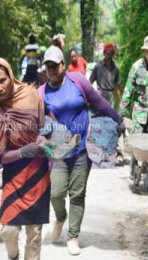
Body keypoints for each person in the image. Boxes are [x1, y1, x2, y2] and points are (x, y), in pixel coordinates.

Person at [38, 45, 124, 256]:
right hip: (57, 153)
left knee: (77, 194)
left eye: (54, 65)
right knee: (56, 193)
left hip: (81, 150)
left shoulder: (78, 82)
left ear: (63, 65)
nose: (51, 70)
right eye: (47, 66)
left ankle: (73, 236)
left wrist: (117, 119)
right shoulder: (41, 93)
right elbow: (35, 122)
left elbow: (99, 103)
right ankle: (60, 217)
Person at [0, 57, 50, 260]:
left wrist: (46, 139)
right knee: (8, 231)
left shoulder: (31, 95)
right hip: (13, 175)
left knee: (34, 233)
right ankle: (13, 257)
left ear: (11, 76)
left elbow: (43, 126)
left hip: (37, 173)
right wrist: (25, 150)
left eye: (3, 80)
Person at [89, 43, 121, 108]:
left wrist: (120, 103)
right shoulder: (98, 67)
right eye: (107, 54)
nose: (109, 56)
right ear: (104, 54)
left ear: (113, 55)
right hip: (100, 94)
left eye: (111, 54)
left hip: (111, 97)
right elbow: (90, 82)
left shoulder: (116, 69)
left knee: (110, 116)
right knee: (99, 116)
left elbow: (118, 87)